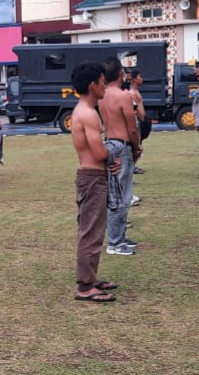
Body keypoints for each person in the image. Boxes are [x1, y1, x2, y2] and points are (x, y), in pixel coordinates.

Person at [70, 63, 119, 303]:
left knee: (95, 230)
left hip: (93, 175)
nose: (104, 86)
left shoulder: (85, 110)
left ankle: (91, 277)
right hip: (91, 178)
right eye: (102, 82)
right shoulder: (87, 114)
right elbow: (99, 153)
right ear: (92, 85)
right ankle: (85, 286)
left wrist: (110, 161)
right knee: (90, 231)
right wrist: (113, 153)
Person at [99, 58, 141, 256]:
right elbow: (132, 127)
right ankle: (115, 242)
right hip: (122, 144)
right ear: (120, 73)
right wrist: (137, 146)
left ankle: (119, 237)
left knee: (116, 192)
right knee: (122, 195)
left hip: (109, 142)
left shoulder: (101, 95)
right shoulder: (123, 96)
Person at [129, 70, 148, 176]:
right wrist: (140, 118)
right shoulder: (132, 93)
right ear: (134, 79)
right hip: (137, 120)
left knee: (139, 144)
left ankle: (133, 166)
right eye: (140, 76)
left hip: (140, 120)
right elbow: (134, 108)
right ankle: (131, 166)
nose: (142, 78)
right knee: (136, 146)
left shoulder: (136, 92)